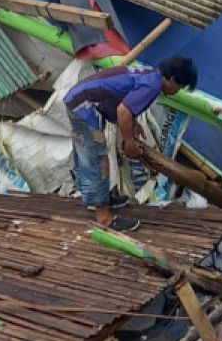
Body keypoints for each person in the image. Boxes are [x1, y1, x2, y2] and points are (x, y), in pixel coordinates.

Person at [64, 56, 199, 231]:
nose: (177, 91)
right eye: (179, 87)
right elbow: (123, 111)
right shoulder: (153, 85)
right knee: (95, 157)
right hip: (84, 104)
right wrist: (129, 143)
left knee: (90, 154)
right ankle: (103, 218)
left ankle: (97, 199)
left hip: (81, 99)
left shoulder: (151, 75)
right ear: (172, 79)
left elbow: (124, 102)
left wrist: (134, 126)